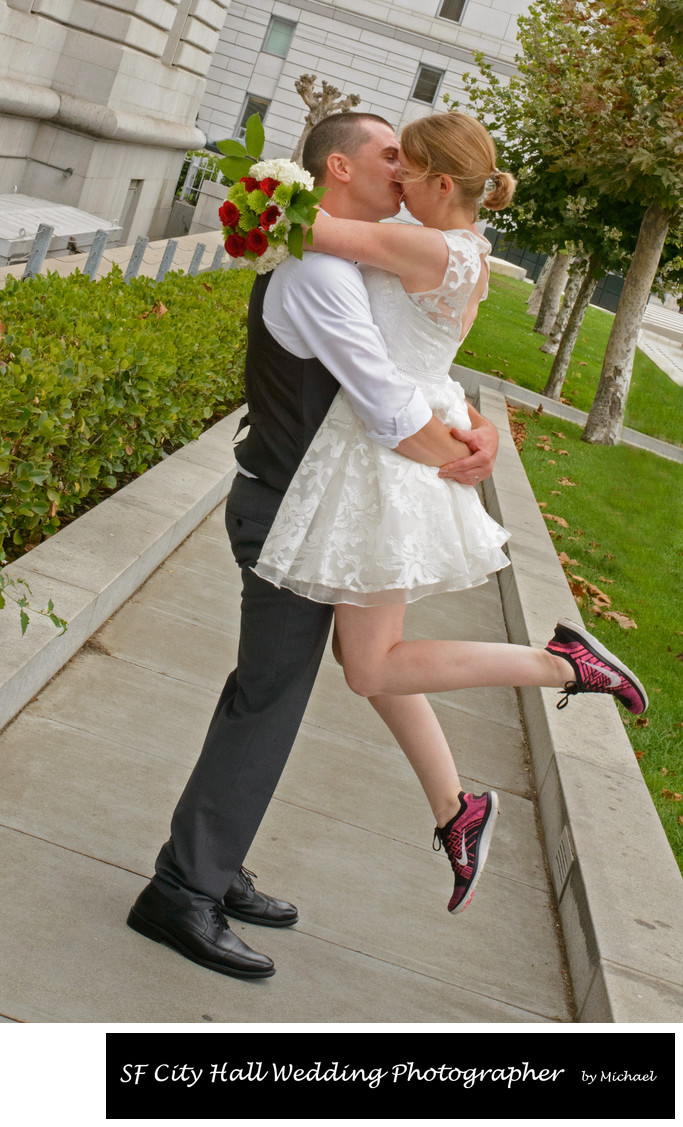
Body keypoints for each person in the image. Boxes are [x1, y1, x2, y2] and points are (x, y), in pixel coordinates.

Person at [127, 112, 502, 978]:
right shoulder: (324, 276)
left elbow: (417, 372)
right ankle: (182, 890)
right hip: (285, 509)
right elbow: (391, 411)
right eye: (387, 156)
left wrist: (473, 424)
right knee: (265, 701)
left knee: (276, 696)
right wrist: (464, 460)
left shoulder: (347, 262)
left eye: (409, 161)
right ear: (339, 167)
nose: (399, 169)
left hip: (303, 509)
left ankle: (212, 864)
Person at [253, 111, 648, 915]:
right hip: (395, 441)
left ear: (440, 184)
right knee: (368, 657)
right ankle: (456, 808)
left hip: (383, 459)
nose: (392, 181)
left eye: (404, 171)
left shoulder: (428, 246)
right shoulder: (460, 250)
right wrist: (473, 426)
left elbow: (309, 226)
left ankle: (562, 664)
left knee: (369, 664)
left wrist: (276, 181)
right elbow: (427, 356)